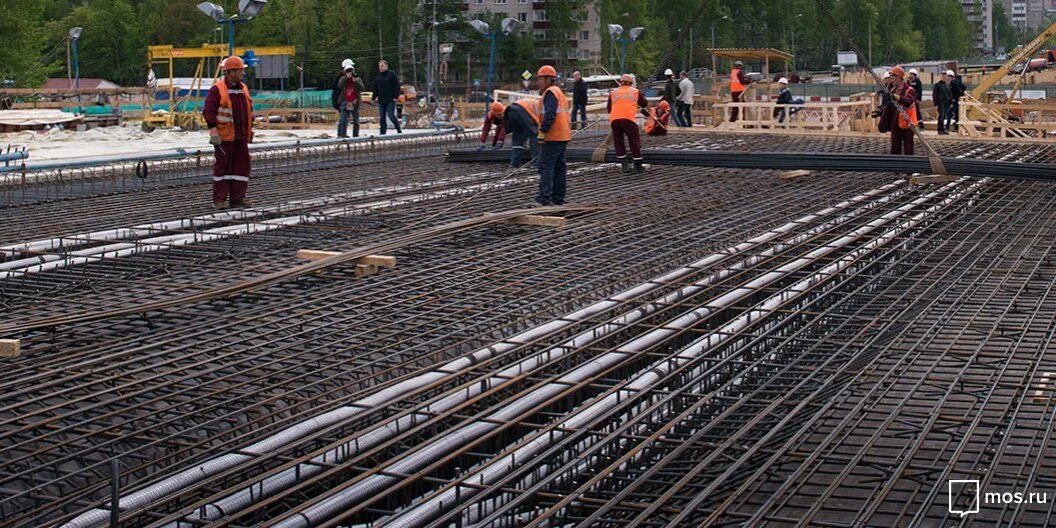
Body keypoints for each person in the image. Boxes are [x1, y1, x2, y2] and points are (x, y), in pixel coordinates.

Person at [203, 56, 254, 209]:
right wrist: (213, 131)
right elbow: (208, 111)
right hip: (224, 137)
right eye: (240, 70)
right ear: (231, 72)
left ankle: (238, 198)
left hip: (240, 136)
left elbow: (248, 111)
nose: (243, 73)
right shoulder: (217, 89)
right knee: (223, 168)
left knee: (241, 167)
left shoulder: (243, 88)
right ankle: (220, 200)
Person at [535, 65, 571, 206]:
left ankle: (544, 198)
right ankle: (558, 199)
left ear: (548, 80)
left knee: (546, 167)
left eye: (540, 79)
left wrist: (543, 132)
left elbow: (550, 114)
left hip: (553, 136)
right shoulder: (558, 92)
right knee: (559, 168)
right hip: (563, 136)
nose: (539, 82)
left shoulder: (550, 93)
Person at [608, 73, 649, 173]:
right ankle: (638, 166)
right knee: (634, 141)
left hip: (615, 120)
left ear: (620, 83)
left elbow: (609, 109)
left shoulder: (613, 92)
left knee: (618, 142)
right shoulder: (635, 91)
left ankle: (624, 165)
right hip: (628, 119)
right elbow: (644, 104)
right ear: (631, 83)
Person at [878, 66, 918, 155]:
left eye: (893, 77)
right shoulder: (892, 90)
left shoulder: (909, 90)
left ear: (899, 77)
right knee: (895, 149)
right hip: (895, 125)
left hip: (908, 125)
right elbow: (889, 106)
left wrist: (897, 97)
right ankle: (896, 167)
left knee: (908, 149)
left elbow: (909, 101)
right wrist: (880, 111)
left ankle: (909, 167)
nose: (891, 80)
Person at [332, 59, 365, 138]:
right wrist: (346, 77)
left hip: (355, 101)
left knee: (356, 120)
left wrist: (355, 81)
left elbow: (362, 88)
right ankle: (342, 135)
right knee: (343, 119)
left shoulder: (357, 78)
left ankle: (355, 135)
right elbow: (339, 85)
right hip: (345, 101)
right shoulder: (342, 78)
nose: (350, 72)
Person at [504, 97, 540, 167]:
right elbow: (539, 123)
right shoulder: (543, 106)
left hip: (510, 110)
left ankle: (514, 163)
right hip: (522, 111)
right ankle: (536, 163)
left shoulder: (537, 103)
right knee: (534, 135)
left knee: (518, 138)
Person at [371, 59, 402, 135]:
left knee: (391, 115)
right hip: (381, 100)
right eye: (379, 66)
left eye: (382, 66)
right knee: (382, 117)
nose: (380, 68)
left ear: (386, 66)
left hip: (390, 99)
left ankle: (398, 128)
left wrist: (396, 96)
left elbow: (397, 86)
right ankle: (382, 132)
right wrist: (373, 98)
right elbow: (375, 89)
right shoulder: (378, 77)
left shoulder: (391, 74)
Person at [932, 71, 952, 135]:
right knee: (941, 116)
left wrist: (951, 102)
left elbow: (950, 94)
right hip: (941, 103)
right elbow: (934, 95)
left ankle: (943, 129)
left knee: (944, 116)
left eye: (945, 75)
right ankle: (940, 130)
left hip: (946, 103)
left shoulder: (947, 85)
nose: (944, 77)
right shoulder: (937, 85)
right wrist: (936, 104)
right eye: (942, 75)